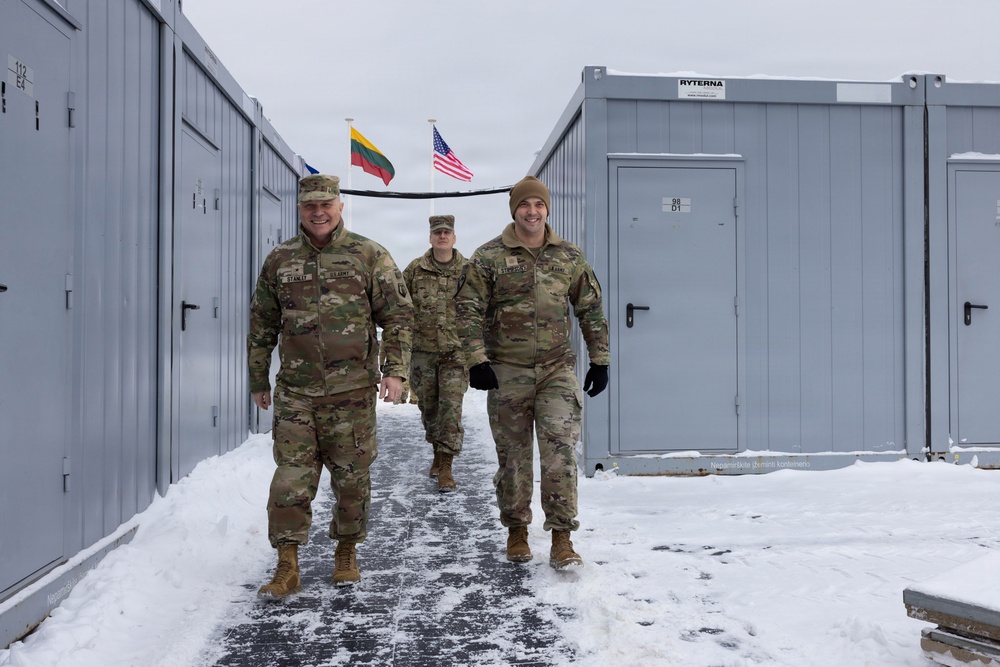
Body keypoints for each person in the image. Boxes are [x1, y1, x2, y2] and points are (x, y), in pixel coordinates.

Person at [247, 174, 412, 597]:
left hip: (352, 390)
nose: (318, 213)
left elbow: (398, 316)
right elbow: (262, 323)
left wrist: (395, 371)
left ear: (340, 205)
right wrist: (257, 377)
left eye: (326, 204)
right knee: (290, 479)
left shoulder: (369, 255)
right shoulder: (280, 259)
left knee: (352, 478)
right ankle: (287, 562)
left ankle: (346, 550)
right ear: (300, 209)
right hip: (296, 390)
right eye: (309, 206)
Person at [455, 176, 609, 570]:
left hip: (557, 369)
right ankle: (517, 531)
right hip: (507, 372)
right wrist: (476, 360)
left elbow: (589, 309)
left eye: (539, 205)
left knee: (559, 454)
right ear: (515, 210)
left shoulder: (569, 257)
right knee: (513, 458)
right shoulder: (488, 257)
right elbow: (467, 309)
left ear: (547, 209)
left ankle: (562, 538)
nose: (532, 211)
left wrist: (600, 360)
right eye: (525, 205)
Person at [402, 215, 469, 493]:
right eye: (437, 232)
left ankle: (446, 466)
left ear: (454, 238)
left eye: (447, 232)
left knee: (450, 409)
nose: (442, 236)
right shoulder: (415, 270)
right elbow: (399, 306)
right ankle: (437, 450)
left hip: (457, 353)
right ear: (430, 238)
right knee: (429, 409)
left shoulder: (469, 271)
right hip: (423, 353)